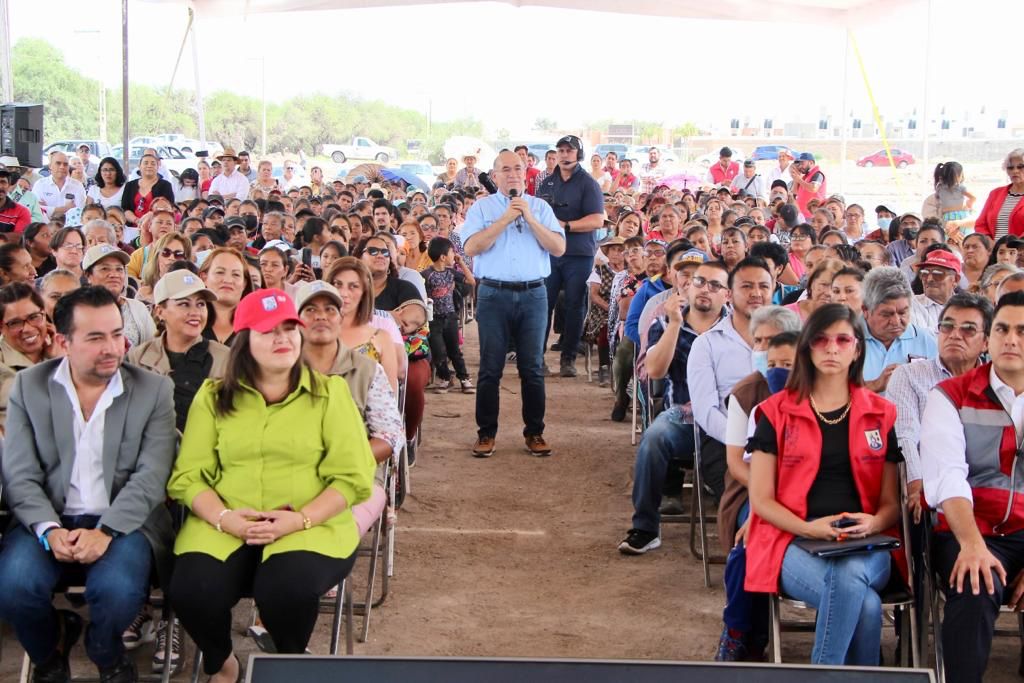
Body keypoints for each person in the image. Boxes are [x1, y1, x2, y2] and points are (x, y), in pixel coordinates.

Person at [167, 288, 375, 683]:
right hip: (225, 523)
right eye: (268, 331)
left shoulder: (329, 393)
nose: (283, 339)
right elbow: (188, 477)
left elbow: (352, 478)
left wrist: (299, 521)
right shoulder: (213, 397)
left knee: (286, 591)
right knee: (192, 590)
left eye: (288, 329)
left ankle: (287, 663)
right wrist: (226, 518)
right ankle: (221, 663)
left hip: (310, 526)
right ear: (245, 342)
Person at [0, 285, 177, 683]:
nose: (112, 347)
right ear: (62, 341)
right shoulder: (30, 386)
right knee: (14, 589)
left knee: (116, 593)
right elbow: (20, 474)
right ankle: (52, 650)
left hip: (125, 521)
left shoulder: (153, 390)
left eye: (116, 334)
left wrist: (107, 531)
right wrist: (48, 530)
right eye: (95, 337)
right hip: (49, 517)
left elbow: (151, 476)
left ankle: (105, 650)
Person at [746, 304, 902, 666]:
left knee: (850, 579)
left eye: (842, 339)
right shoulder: (775, 411)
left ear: (857, 349)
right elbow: (761, 499)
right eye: (821, 340)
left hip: (867, 545)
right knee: (864, 602)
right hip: (792, 540)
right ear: (807, 348)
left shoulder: (881, 412)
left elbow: (890, 503)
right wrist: (807, 527)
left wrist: (874, 523)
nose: (832, 349)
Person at [919, 290, 1024, 682]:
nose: (1011, 339)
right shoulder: (950, 396)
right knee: (977, 583)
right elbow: (948, 476)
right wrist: (974, 546)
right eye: (1002, 329)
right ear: (989, 339)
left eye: (1022, 331)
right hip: (967, 529)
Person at [618, 255, 727, 555]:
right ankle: (646, 527)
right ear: (687, 287)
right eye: (699, 281)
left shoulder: (737, 325)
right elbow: (655, 371)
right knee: (653, 438)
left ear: (727, 293)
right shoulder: (664, 320)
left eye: (716, 285)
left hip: (730, 417)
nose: (706, 289)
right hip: (684, 414)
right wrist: (675, 325)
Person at [462, 150, 565, 458]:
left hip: (534, 295)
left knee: (532, 368)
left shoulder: (541, 207)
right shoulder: (482, 208)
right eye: (505, 169)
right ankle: (486, 434)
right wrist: (506, 218)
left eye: (517, 169)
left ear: (526, 173)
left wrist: (528, 217)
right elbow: (471, 246)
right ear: (495, 176)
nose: (512, 174)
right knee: (490, 368)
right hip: (494, 295)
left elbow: (558, 247)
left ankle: (534, 432)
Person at [715, 324, 800, 662]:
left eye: (790, 365)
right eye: (774, 363)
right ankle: (738, 630)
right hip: (757, 491)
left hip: (806, 499)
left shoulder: (823, 399)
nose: (780, 372)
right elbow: (740, 464)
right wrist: (764, 506)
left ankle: (760, 631)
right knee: (746, 545)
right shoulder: (753, 399)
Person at [687, 257, 774, 498]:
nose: (756, 293)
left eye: (763, 286)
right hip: (725, 444)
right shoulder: (706, 344)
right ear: (728, 294)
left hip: (782, 442)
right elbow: (706, 411)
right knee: (753, 499)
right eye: (746, 286)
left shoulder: (791, 340)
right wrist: (744, 441)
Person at [537, 135, 606, 377]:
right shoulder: (546, 183)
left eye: (569, 150)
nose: (565, 154)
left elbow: (598, 220)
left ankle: (568, 359)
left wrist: (565, 225)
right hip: (550, 254)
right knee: (543, 305)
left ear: (579, 154)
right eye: (561, 150)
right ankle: (537, 359)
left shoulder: (589, 184)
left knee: (576, 305)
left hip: (578, 254)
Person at [325, 257, 400, 391]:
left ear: (364, 291)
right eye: (337, 284)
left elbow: (390, 397)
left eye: (353, 286)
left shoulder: (381, 339)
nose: (343, 293)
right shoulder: (313, 333)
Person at [860, 266, 937, 393]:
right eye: (886, 314)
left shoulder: (927, 342)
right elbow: (828, 397)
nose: (896, 321)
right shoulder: (846, 340)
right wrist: (874, 386)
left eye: (902, 313)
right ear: (866, 311)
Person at [422, 236, 475, 394]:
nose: (455, 254)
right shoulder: (426, 274)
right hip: (434, 320)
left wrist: (460, 263)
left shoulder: (452, 273)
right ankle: (445, 378)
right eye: (453, 252)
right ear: (443, 257)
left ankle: (464, 378)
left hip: (450, 317)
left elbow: (471, 281)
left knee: (454, 351)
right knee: (438, 351)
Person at [82, 245, 156, 348]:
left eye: (119, 269)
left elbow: (152, 351)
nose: (114, 274)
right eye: (105, 269)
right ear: (88, 275)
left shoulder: (138, 308)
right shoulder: (79, 312)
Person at [974, 148, 1024, 239]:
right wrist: (990, 243)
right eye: (1010, 167)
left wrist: (1014, 247)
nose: (1015, 171)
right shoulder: (995, 193)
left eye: (1020, 167)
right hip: (994, 250)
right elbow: (981, 224)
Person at [910, 249, 960, 332]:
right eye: (925, 273)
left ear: (956, 280)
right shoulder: (910, 305)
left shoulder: (967, 308)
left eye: (938, 274)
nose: (929, 279)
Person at [122, 154, 175, 225]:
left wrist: (149, 217)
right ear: (139, 166)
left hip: (156, 226)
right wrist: (136, 221)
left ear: (158, 167)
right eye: (146, 163)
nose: (149, 166)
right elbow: (125, 208)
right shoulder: (130, 185)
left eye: (153, 164)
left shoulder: (165, 185)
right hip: (133, 226)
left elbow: (168, 206)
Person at [33, 151, 86, 221]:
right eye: (58, 163)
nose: (62, 167)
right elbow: (36, 211)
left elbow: (79, 212)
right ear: (50, 166)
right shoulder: (40, 185)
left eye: (65, 164)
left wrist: (49, 210)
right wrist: (66, 208)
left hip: (70, 228)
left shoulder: (77, 186)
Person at [790, 152, 826, 220]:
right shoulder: (804, 177)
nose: (800, 166)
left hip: (812, 215)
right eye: (799, 164)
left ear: (811, 162)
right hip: (801, 215)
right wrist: (796, 178)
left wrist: (799, 179)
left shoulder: (818, 173)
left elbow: (813, 188)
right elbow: (794, 192)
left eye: (802, 163)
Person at [0, 169, 32, 233]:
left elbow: (17, 240)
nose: (0, 187)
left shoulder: (21, 212)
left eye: (3, 182)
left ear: (9, 186)